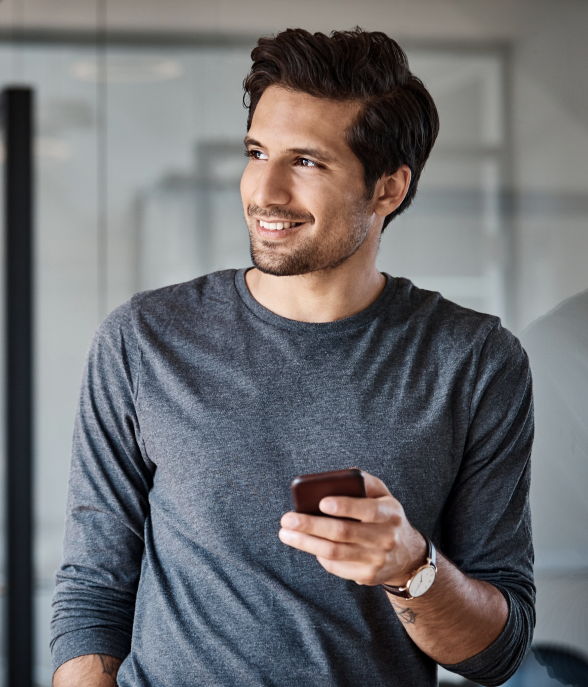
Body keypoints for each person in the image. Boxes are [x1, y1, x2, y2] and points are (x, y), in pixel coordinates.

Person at [51, 28, 534, 687]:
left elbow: (494, 653)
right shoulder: (144, 338)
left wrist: (410, 567)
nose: (264, 191)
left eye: (306, 162)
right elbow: (92, 587)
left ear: (387, 190)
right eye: (257, 152)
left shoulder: (474, 360)